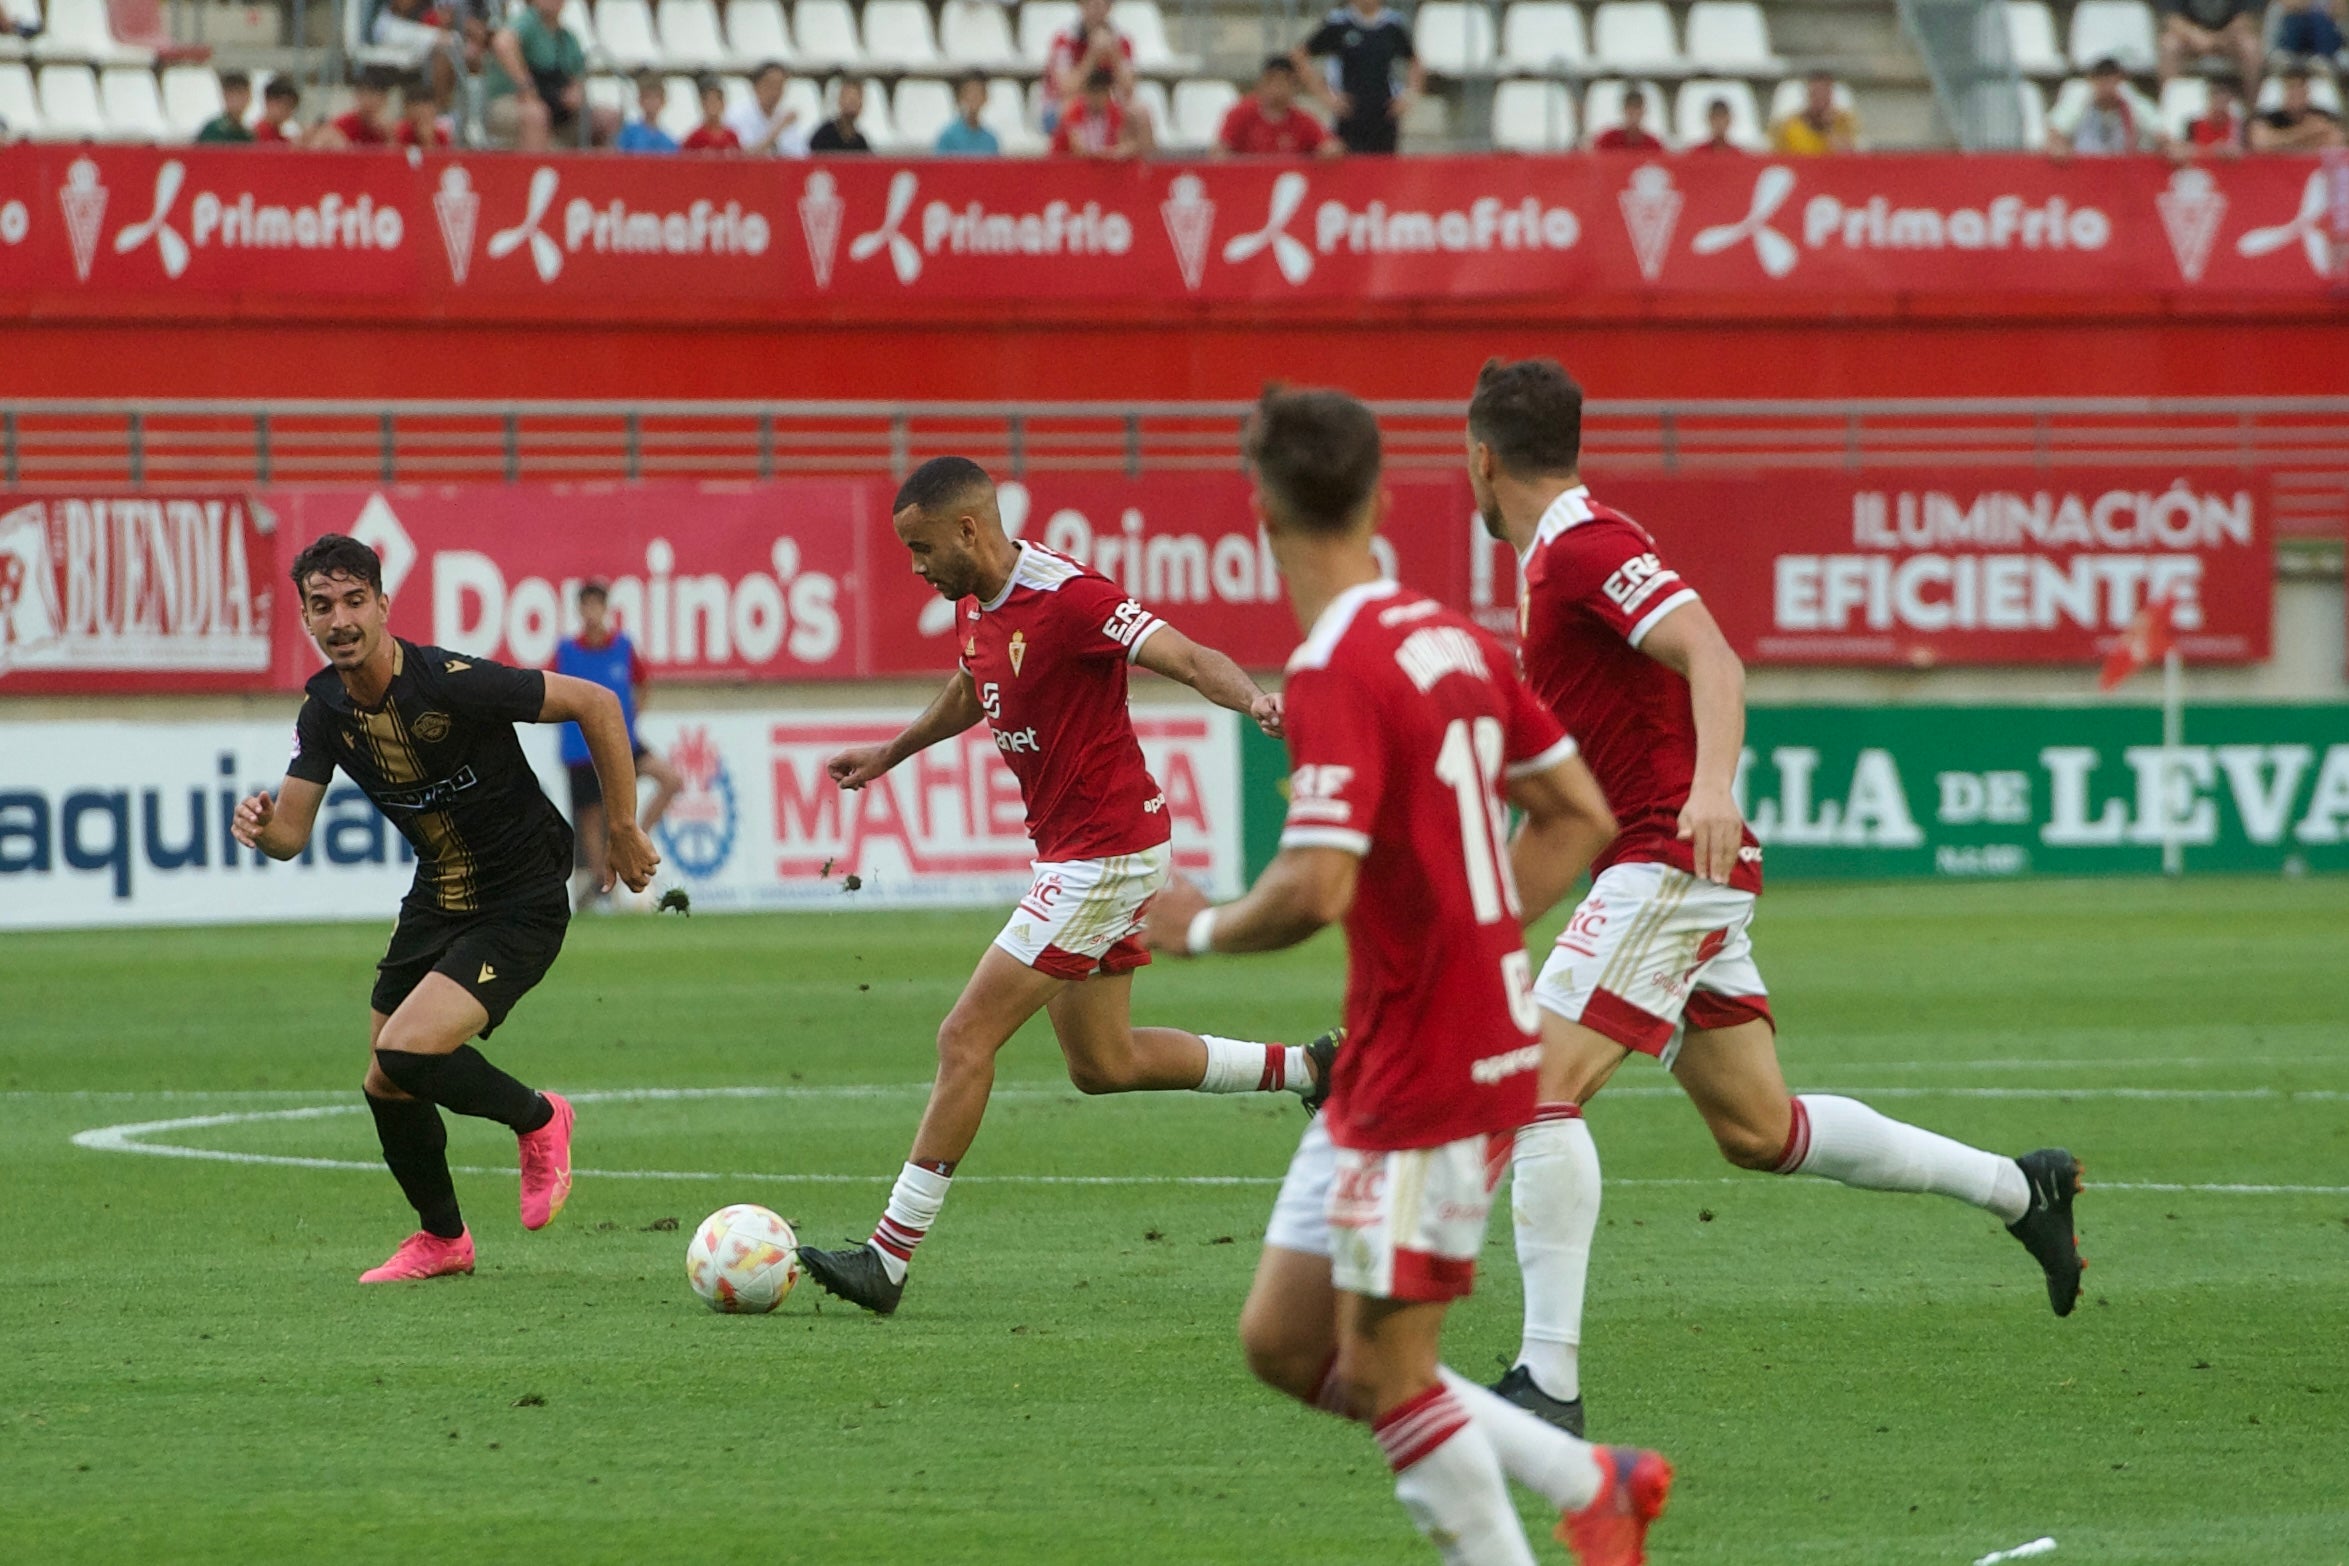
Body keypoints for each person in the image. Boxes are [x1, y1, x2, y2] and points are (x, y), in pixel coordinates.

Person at [1461, 359, 2087, 1439]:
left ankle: (1546, 1384)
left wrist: (1708, 786)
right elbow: (1572, 793)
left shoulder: (1582, 548)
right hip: (1655, 868)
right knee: (1759, 1128)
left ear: (1479, 457)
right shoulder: (1558, 556)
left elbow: (1713, 653)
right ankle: (2022, 1191)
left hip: (1669, 860)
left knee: (1534, 1089)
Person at [1137, 388, 1666, 1566]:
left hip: (1431, 1067)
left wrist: (1202, 930)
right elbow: (1580, 812)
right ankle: (1590, 1477)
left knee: (1387, 1369)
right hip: (1399, 1046)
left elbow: (1318, 886)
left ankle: (1558, 1522)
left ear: (1260, 507)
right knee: (1284, 1342)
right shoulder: (1449, 637)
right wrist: (1473, 932)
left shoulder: (1339, 666)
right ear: (1383, 493)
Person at [793, 458, 1325, 1317]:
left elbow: (1182, 655)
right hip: (1075, 854)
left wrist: (1257, 704)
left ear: (969, 530)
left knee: (964, 1035)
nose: (917, 568)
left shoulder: (1071, 597)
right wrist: (892, 752)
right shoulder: (976, 604)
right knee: (1101, 1065)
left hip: (1105, 855)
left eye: (922, 548)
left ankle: (887, 1260)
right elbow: (975, 686)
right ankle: (1310, 1068)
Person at [230, 535, 659, 1284]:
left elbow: (596, 702)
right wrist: (262, 830)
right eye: (321, 606)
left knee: (406, 1052)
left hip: (520, 897)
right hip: (439, 895)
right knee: (384, 1081)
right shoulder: (325, 707)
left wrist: (622, 826)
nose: (340, 620)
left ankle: (539, 1117)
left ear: (383, 605)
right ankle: (443, 1240)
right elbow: (291, 834)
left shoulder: (452, 681)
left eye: (354, 601)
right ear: (304, 616)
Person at [554, 581, 683, 912]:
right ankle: (603, 888)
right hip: (582, 748)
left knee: (670, 779)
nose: (592, 613)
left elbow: (642, 684)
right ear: (579, 610)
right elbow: (547, 689)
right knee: (590, 819)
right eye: (586, 606)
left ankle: (635, 839)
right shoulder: (566, 650)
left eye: (597, 605)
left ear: (605, 609)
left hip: (622, 742)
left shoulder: (622, 646)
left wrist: (630, 716)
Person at [485, 0, 618, 150]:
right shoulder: (528, 21)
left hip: (557, 107)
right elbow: (503, 43)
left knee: (607, 118)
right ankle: (533, 170)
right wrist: (525, 86)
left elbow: (577, 78)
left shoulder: (567, 38)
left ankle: (598, 172)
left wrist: (574, 94)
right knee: (536, 115)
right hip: (510, 99)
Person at [1298, 0, 1423, 154]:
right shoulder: (1339, 24)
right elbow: (1300, 55)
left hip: (1384, 113)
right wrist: (1325, 95)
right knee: (1347, 168)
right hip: (1349, 113)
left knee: (1383, 169)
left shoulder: (1392, 24)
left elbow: (1415, 61)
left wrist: (1409, 95)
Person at [1217, 55, 1339, 156]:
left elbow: (1329, 146)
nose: (1276, 88)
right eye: (1271, 80)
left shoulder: (1303, 120)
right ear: (1262, 83)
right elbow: (1221, 150)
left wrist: (1328, 152)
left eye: (1283, 82)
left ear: (1294, 86)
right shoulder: (1240, 114)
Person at [1041, 0, 1134, 131]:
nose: (1098, 10)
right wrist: (1092, 55)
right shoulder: (1065, 39)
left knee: (1139, 114)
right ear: (1082, 5)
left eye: (1104, 5)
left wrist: (1114, 54)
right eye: (1094, 5)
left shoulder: (1121, 40)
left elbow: (1128, 89)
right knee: (1073, 111)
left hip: (1104, 103)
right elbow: (1066, 88)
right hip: (1062, 105)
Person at [2047, 57, 2164, 155]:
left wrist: (2167, 145)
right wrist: (2059, 145)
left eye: (2112, 82)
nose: (2108, 88)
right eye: (2103, 82)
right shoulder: (2079, 98)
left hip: (2121, 168)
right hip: (2084, 166)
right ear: (2093, 81)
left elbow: (2159, 131)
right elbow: (2056, 131)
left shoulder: (2131, 100)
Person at [2156, 0, 2264, 89]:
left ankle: (2253, 111)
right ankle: (2171, 109)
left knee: (2251, 47)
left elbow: (2247, 18)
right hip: (2189, 38)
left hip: (2230, 38)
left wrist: (2220, 38)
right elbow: (2171, 18)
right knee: (2169, 45)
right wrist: (2196, 36)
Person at [1051, 64, 1151, 157]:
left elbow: (1124, 142)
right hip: (1069, 167)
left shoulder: (1115, 112)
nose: (1098, 98)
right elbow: (1078, 148)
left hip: (1103, 167)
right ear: (1086, 92)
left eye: (1102, 92)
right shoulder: (1073, 111)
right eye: (1094, 92)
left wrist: (1121, 150)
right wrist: (1105, 153)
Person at [2250, 62, 2347, 149]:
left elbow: (2335, 139)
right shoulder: (2271, 118)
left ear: (2307, 93)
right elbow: (2259, 141)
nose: (2296, 95)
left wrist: (2278, 141)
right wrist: (2307, 132)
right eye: (2292, 89)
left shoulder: (2320, 115)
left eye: (2300, 90)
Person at [726, 61, 811, 155]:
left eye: (780, 86)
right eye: (770, 85)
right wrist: (778, 129)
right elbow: (744, 155)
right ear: (756, 86)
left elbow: (800, 154)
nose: (775, 91)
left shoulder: (786, 115)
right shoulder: (737, 114)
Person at [1770, 71, 1858, 154]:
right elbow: (1775, 155)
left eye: (1824, 94)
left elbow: (1850, 156)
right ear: (1808, 95)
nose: (1820, 99)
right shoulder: (1789, 125)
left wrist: (1830, 128)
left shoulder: (1843, 122)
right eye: (1816, 93)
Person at [318, 67, 396, 148]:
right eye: (363, 94)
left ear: (384, 99)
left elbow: (397, 157)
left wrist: (389, 136)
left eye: (373, 95)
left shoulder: (392, 130)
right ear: (356, 96)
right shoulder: (342, 125)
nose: (367, 101)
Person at [935, 71, 1000, 155]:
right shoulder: (948, 136)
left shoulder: (991, 139)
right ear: (960, 97)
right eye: (970, 93)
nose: (974, 98)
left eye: (978, 93)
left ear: (986, 97)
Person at [615, 71, 679, 152]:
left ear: (663, 102)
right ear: (639, 100)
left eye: (656, 98)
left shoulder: (669, 141)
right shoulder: (629, 133)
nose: (651, 103)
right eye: (647, 98)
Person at [2273, 0, 2347, 66]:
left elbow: (2339, 8)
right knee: (2293, 20)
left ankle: (2323, 60)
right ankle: (2286, 57)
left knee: (2319, 20)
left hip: (2326, 26)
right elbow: (2288, 4)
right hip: (2297, 23)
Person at [2186, 73, 2247, 154]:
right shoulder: (2194, 125)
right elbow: (2187, 150)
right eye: (2216, 99)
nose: (2219, 105)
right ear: (2209, 100)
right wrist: (2211, 150)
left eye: (2223, 101)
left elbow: (2244, 151)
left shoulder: (2238, 126)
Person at [809, 77, 874, 152]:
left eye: (855, 100)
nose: (851, 104)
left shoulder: (860, 142)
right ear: (840, 100)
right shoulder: (824, 135)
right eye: (848, 98)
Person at [1590, 86, 1665, 150]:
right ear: (1624, 110)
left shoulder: (1653, 144)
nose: (1634, 116)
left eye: (1637, 110)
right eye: (1631, 111)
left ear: (1643, 112)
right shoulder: (1607, 140)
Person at [393, 72, 452, 148]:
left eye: (426, 110)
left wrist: (428, 140)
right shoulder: (401, 131)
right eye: (418, 110)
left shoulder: (441, 134)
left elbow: (443, 157)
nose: (422, 113)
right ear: (407, 109)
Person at [683, 75, 741, 150]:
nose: (713, 105)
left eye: (717, 100)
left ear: (723, 103)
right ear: (702, 104)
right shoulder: (694, 138)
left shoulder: (732, 136)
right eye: (709, 101)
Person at [195, 70, 254, 143]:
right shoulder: (214, 131)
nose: (236, 100)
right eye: (232, 94)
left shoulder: (248, 134)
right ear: (224, 96)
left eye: (241, 93)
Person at [251, 77, 303, 143]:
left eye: (291, 107)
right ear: (268, 101)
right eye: (284, 105)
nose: (287, 111)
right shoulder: (254, 135)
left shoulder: (284, 140)